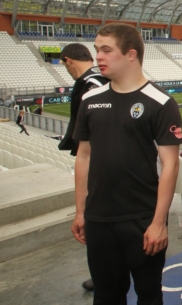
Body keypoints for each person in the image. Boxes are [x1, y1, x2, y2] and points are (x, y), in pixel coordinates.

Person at [71, 23, 182, 304]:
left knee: (148, 295)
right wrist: (80, 211)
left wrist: (159, 222)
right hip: (99, 221)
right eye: (97, 50)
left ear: (131, 54)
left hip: (142, 220)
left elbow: (170, 165)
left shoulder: (160, 103)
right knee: (107, 296)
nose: (98, 57)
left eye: (106, 50)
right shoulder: (90, 99)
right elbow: (83, 156)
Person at [58, 42, 110, 292]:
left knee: (99, 217)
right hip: (100, 160)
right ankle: (104, 274)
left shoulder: (93, 84)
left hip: (101, 162)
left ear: (67, 60)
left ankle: (105, 275)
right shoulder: (99, 80)